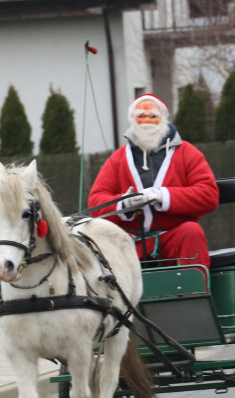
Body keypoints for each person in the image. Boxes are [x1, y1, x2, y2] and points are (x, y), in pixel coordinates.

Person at [88, 94, 219, 268]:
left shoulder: (188, 153)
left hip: (173, 237)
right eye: (141, 116)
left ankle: (194, 292)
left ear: (164, 119)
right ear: (132, 120)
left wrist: (162, 196)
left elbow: (209, 194)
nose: (147, 121)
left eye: (153, 116)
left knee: (191, 232)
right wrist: (125, 202)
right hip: (129, 241)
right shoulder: (118, 159)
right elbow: (96, 200)